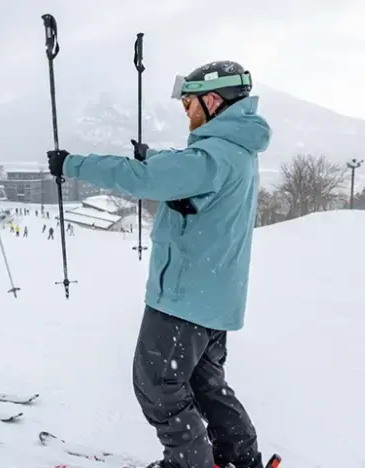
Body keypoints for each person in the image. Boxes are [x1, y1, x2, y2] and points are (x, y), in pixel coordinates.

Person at [46, 61, 271, 468]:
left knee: (156, 384)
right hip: (215, 299)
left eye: (189, 103)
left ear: (213, 100)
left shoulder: (209, 156)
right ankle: (240, 459)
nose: (186, 111)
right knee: (205, 383)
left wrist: (71, 164)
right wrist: (156, 157)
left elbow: (140, 179)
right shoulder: (238, 151)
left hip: (182, 299)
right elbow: (191, 175)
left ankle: (189, 463)